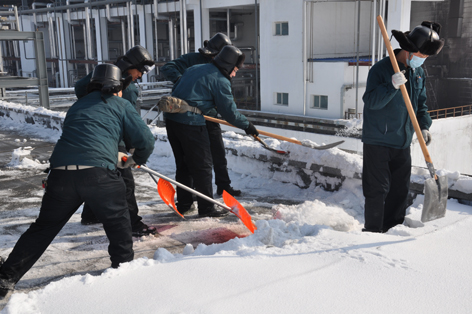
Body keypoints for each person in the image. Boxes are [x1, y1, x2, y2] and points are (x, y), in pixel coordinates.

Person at [0, 64, 155, 299]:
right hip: (99, 176)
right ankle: (124, 278)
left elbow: (86, 136)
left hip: (60, 175)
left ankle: (6, 277)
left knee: (43, 228)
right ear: (116, 87)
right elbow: (146, 141)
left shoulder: (77, 106)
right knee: (118, 224)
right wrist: (135, 161)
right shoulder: (120, 104)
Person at [361, 21, 444, 233]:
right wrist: (391, 85)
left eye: (425, 58)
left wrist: (424, 126)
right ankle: (372, 232)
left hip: (402, 141)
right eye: (421, 56)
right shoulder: (381, 69)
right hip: (378, 140)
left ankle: (393, 229)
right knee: (377, 190)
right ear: (408, 51)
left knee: (399, 191)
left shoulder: (417, 73)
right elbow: (371, 102)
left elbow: (421, 105)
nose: (422, 61)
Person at [164, 45, 259, 217]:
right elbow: (229, 112)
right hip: (190, 125)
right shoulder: (220, 80)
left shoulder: (195, 68)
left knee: (184, 165)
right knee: (203, 166)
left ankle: (184, 203)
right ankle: (206, 208)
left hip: (172, 121)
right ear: (229, 65)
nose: (235, 74)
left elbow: (191, 94)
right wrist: (247, 125)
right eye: (235, 70)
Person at [75, 45, 157, 237]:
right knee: (125, 183)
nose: (140, 76)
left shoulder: (103, 74)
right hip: (112, 137)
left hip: (90, 132)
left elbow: (79, 88)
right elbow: (129, 122)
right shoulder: (126, 88)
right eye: (141, 71)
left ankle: (91, 214)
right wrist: (132, 150)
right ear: (132, 66)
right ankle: (133, 224)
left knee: (97, 172)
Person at [161, 33, 242, 197]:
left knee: (218, 152)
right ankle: (197, 193)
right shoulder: (192, 60)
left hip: (209, 116)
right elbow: (167, 67)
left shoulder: (224, 68)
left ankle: (223, 186)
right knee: (196, 160)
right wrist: (180, 79)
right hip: (189, 117)